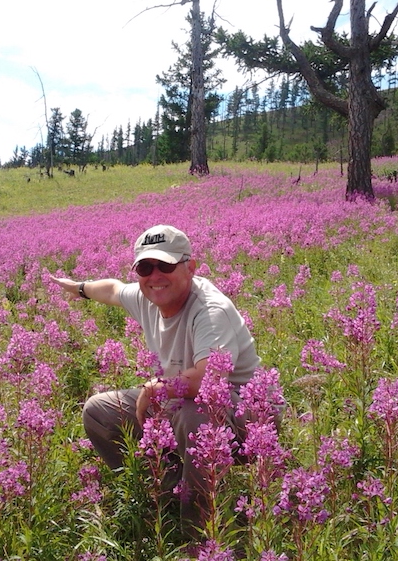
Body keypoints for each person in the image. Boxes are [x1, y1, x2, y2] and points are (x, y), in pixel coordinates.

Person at [49, 224, 261, 531]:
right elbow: (111, 290)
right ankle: (160, 493)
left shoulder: (210, 311)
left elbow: (209, 382)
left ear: (190, 267)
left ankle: (200, 527)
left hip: (244, 419)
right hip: (177, 400)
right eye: (145, 267)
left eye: (166, 265)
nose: (155, 275)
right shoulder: (148, 295)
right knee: (99, 411)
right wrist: (79, 287)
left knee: (194, 412)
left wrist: (157, 388)